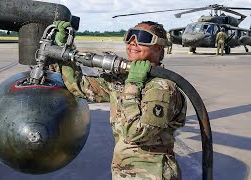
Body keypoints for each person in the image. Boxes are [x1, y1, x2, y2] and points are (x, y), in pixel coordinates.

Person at [52, 20, 187, 179]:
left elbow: (136, 133)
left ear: (158, 47)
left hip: (152, 173)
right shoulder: (122, 79)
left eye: (142, 37)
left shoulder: (161, 88)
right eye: (130, 36)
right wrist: (63, 50)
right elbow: (80, 85)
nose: (133, 42)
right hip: (124, 171)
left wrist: (132, 85)